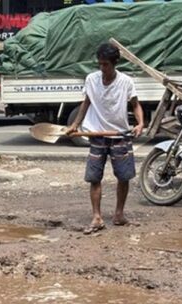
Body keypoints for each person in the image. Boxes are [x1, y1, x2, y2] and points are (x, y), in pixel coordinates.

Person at [68, 43, 145, 232]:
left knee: (124, 177)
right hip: (97, 134)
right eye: (100, 64)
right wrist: (75, 124)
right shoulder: (91, 80)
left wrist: (140, 123)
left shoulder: (126, 81)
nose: (102, 69)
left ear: (114, 64)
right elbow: (85, 103)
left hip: (119, 134)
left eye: (106, 65)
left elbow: (135, 105)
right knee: (94, 177)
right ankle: (97, 217)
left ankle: (119, 215)